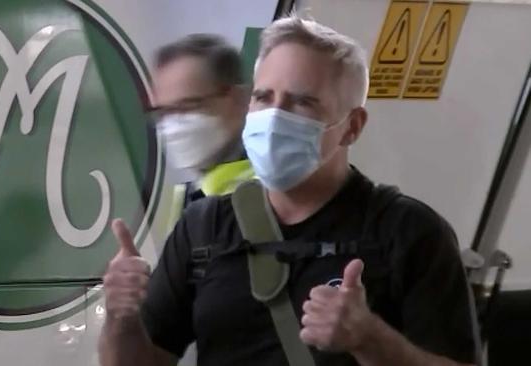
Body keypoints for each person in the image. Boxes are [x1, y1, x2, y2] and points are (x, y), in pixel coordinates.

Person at [99, 15, 479, 366]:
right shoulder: (203, 228)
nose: (274, 117)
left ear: (352, 126)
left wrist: (370, 340)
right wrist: (120, 317)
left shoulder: (408, 233)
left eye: (302, 102)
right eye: (264, 98)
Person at [150, 34, 253, 230]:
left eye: (188, 106)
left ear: (236, 99)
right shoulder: (194, 195)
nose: (173, 127)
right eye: (164, 112)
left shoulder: (273, 191)